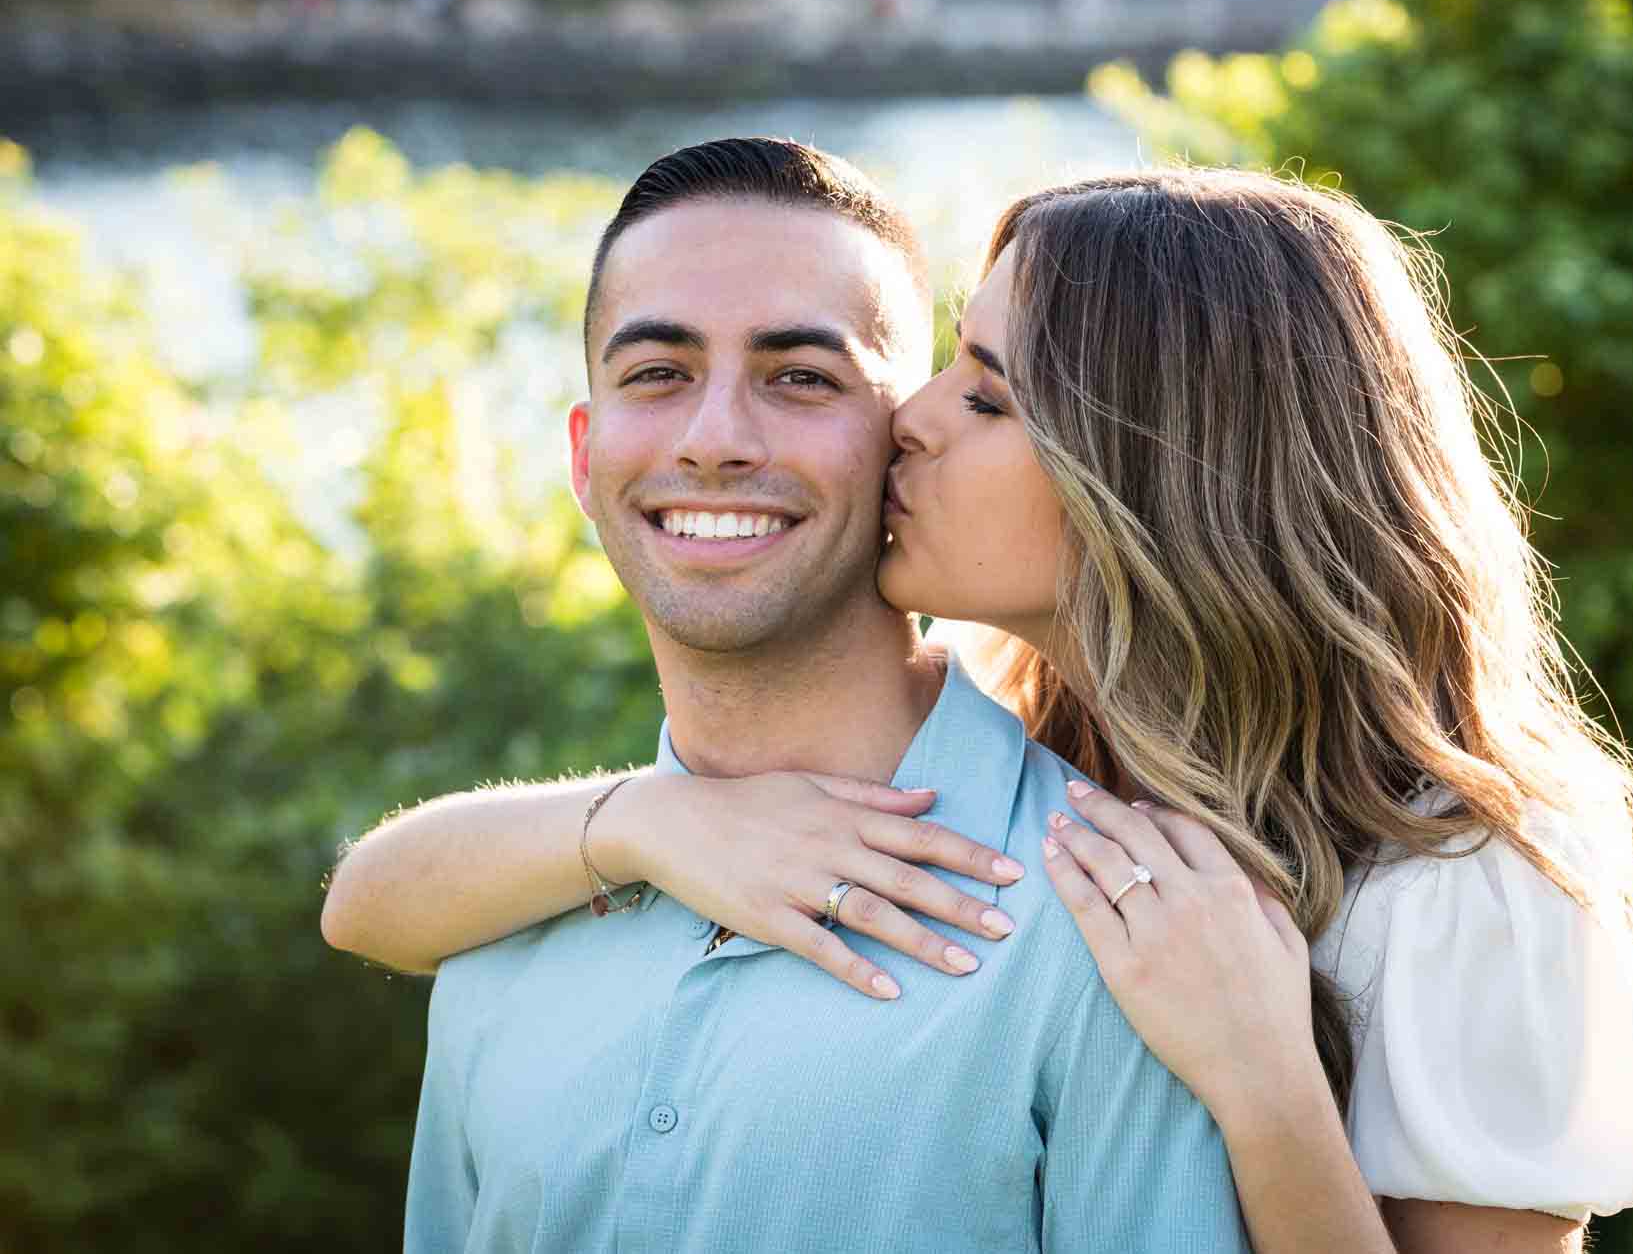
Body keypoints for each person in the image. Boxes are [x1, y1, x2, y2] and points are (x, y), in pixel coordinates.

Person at [324, 161, 1633, 1253]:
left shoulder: (1451, 877)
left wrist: (1263, 1081)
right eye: (949, 362)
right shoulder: (1062, 746)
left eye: (989, 396)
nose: (916, 419)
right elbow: (370, 900)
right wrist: (653, 820)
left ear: (1161, 471)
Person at [364, 137, 1253, 1253]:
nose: (716, 440)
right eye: (657, 374)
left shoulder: (1117, 925)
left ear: (904, 441)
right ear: (584, 457)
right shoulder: (500, 925)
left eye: (800, 378)